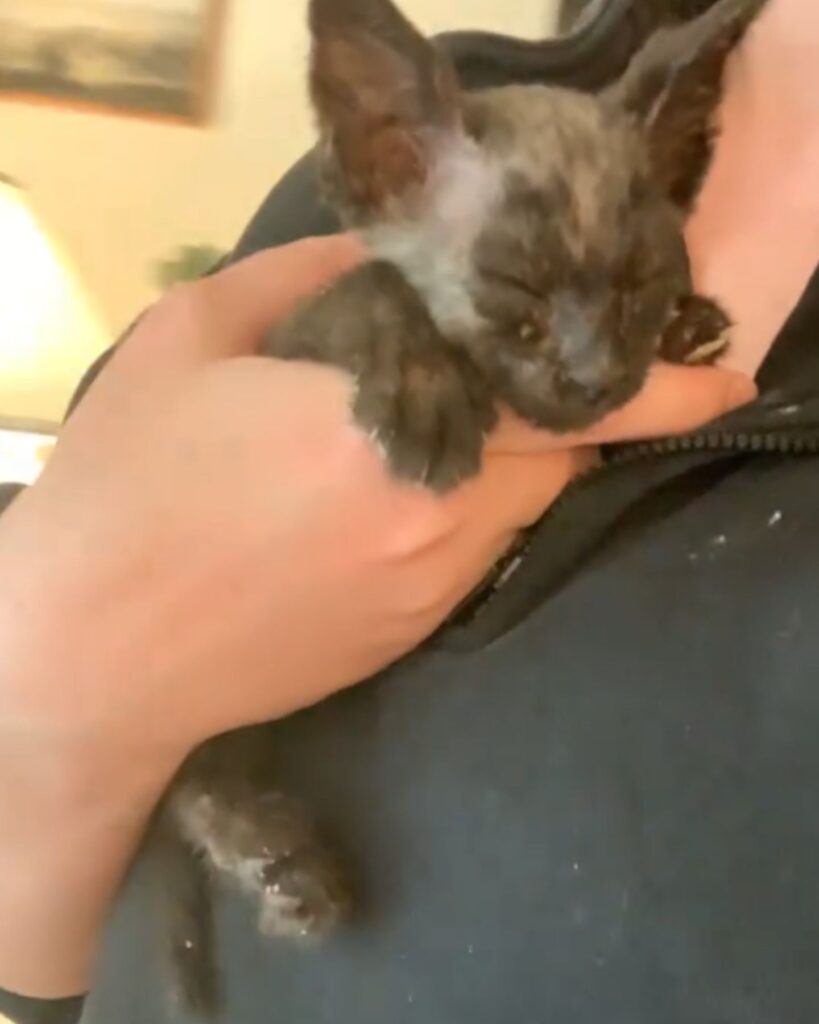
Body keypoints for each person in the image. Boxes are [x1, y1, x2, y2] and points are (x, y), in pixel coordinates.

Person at [1, 0, 817, 1020]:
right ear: (385, 167)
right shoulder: (373, 180)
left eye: (636, 294)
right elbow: (38, 979)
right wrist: (47, 685)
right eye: (522, 300)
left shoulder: (609, 144)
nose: (594, 363)